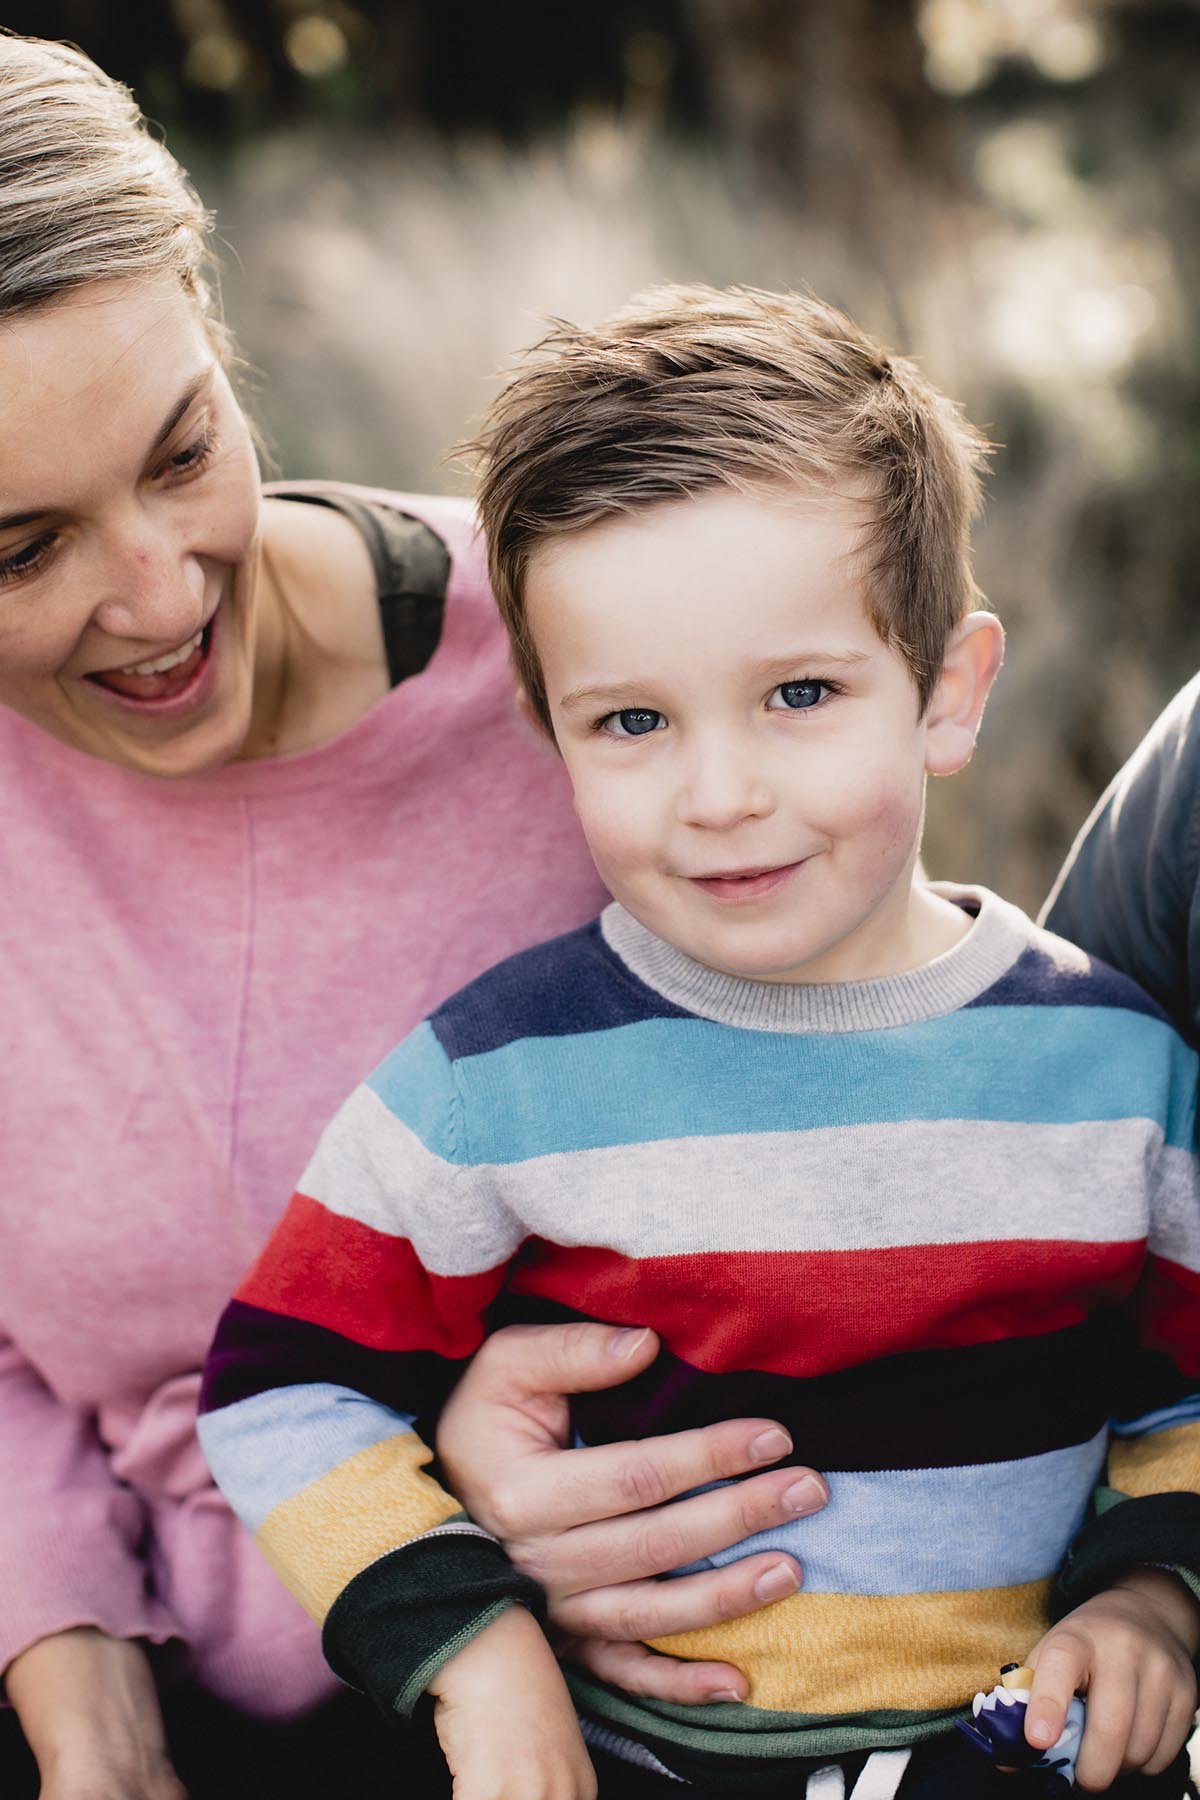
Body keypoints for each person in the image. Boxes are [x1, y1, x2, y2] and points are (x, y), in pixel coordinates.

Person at [199, 286, 1200, 1799]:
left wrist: (1156, 1598)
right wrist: (477, 1654)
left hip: (1015, 1762)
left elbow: (1183, 1400)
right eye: (632, 723)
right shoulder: (496, 1077)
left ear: (946, 692)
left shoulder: (1117, 1072)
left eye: (800, 695)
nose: (720, 795)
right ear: (547, 726)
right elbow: (282, 1385)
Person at [0, 30, 622, 1800]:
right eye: (20, 550)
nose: (158, 595)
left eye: (183, 451)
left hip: (627, 1676)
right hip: (139, 1676)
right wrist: (81, 1698)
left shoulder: (590, 671)